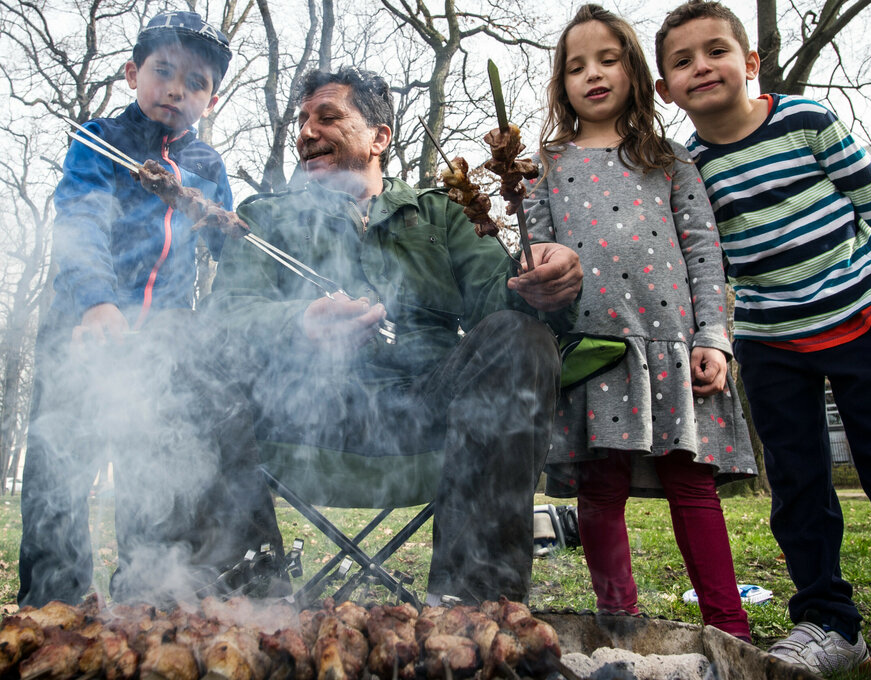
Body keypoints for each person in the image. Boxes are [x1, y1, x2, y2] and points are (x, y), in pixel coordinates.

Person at [653, 2, 871, 678]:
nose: (701, 67)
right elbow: (706, 258)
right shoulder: (686, 168)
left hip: (861, 320)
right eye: (682, 61)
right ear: (665, 89)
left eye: (715, 51)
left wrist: (865, 281)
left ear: (749, 63)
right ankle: (827, 620)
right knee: (799, 482)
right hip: (772, 340)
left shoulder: (807, 120)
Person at [202, 66, 583, 606]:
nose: (307, 131)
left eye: (328, 117)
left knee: (521, 338)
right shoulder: (263, 220)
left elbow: (505, 304)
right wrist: (298, 324)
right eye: (303, 119)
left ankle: (471, 614)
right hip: (297, 413)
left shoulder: (442, 214)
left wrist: (549, 280)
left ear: (380, 138)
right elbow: (224, 322)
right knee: (185, 355)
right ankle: (249, 611)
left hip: (424, 410)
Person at [19, 11, 283, 606]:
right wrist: (96, 303)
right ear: (132, 72)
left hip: (161, 341)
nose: (176, 90)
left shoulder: (208, 168)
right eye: (163, 72)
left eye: (196, 83)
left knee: (152, 473)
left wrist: (244, 239)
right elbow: (81, 220)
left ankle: (143, 600)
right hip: (81, 330)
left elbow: (227, 250)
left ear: (211, 100)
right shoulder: (99, 141)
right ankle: (49, 611)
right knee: (59, 471)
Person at [522, 4, 756, 641]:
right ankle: (616, 623)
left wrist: (714, 336)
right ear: (561, 83)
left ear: (634, 71)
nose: (593, 75)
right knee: (601, 492)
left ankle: (728, 629)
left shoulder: (672, 160)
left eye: (608, 59)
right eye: (576, 66)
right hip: (594, 352)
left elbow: (706, 254)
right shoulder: (544, 167)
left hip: (673, 347)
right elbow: (535, 256)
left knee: (693, 487)